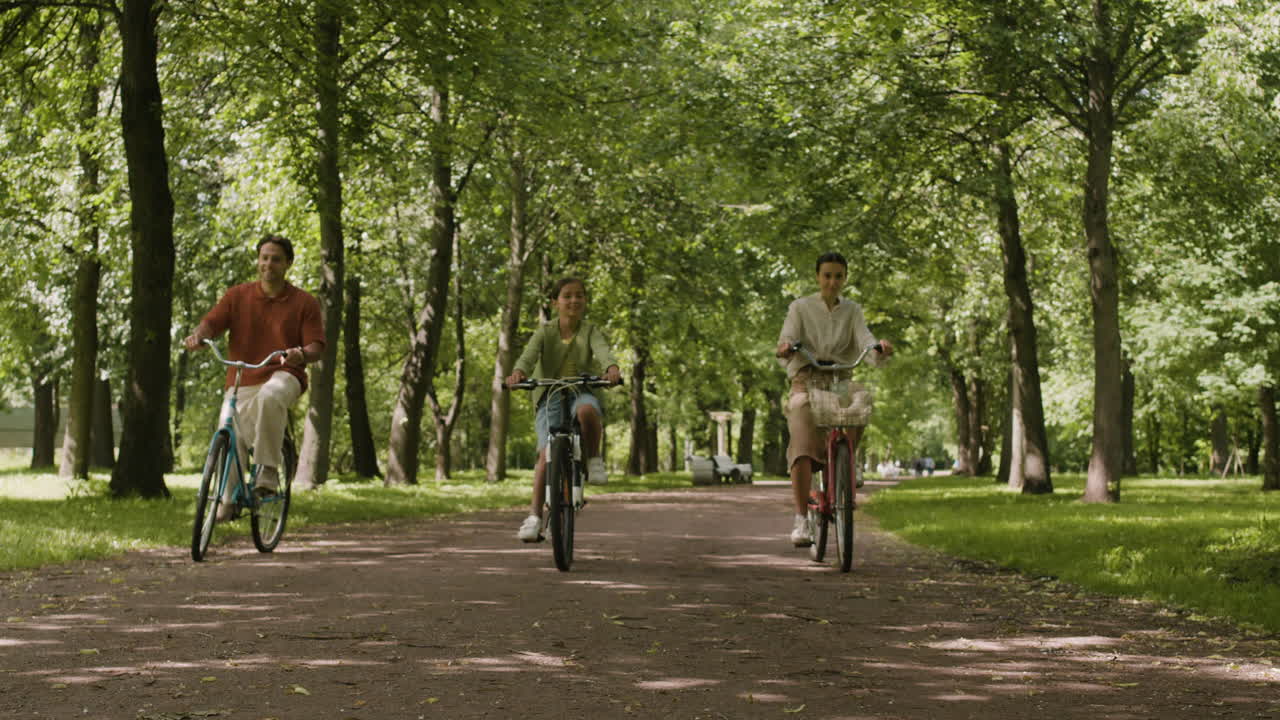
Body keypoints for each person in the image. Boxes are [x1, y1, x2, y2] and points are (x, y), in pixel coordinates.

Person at [182, 234, 324, 520]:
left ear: (288, 264)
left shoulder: (304, 302)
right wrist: (199, 336)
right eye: (264, 258)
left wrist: (300, 353)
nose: (268, 264)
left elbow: (316, 347)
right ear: (258, 260)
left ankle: (267, 474)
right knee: (230, 431)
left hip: (285, 373)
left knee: (271, 396)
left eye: (276, 259)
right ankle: (227, 501)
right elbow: (212, 323)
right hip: (243, 377)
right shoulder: (237, 296)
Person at [775, 251, 894, 547]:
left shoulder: (852, 310)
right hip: (806, 381)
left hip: (840, 380)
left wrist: (878, 349)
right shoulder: (800, 307)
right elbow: (787, 337)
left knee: (860, 399)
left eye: (838, 276)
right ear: (818, 277)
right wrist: (786, 347)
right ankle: (801, 520)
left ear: (845, 278)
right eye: (827, 275)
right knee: (802, 437)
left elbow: (865, 339)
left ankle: (848, 462)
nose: (832, 282)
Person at [506, 277, 622, 543]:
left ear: (585, 300)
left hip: (581, 390)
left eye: (579, 295)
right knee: (546, 452)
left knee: (587, 411)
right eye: (567, 296)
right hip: (550, 394)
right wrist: (518, 373)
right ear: (555, 302)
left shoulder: (590, 330)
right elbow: (528, 356)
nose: (574, 300)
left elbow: (603, 351)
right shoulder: (545, 332)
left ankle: (593, 459)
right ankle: (534, 517)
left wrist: (612, 368)